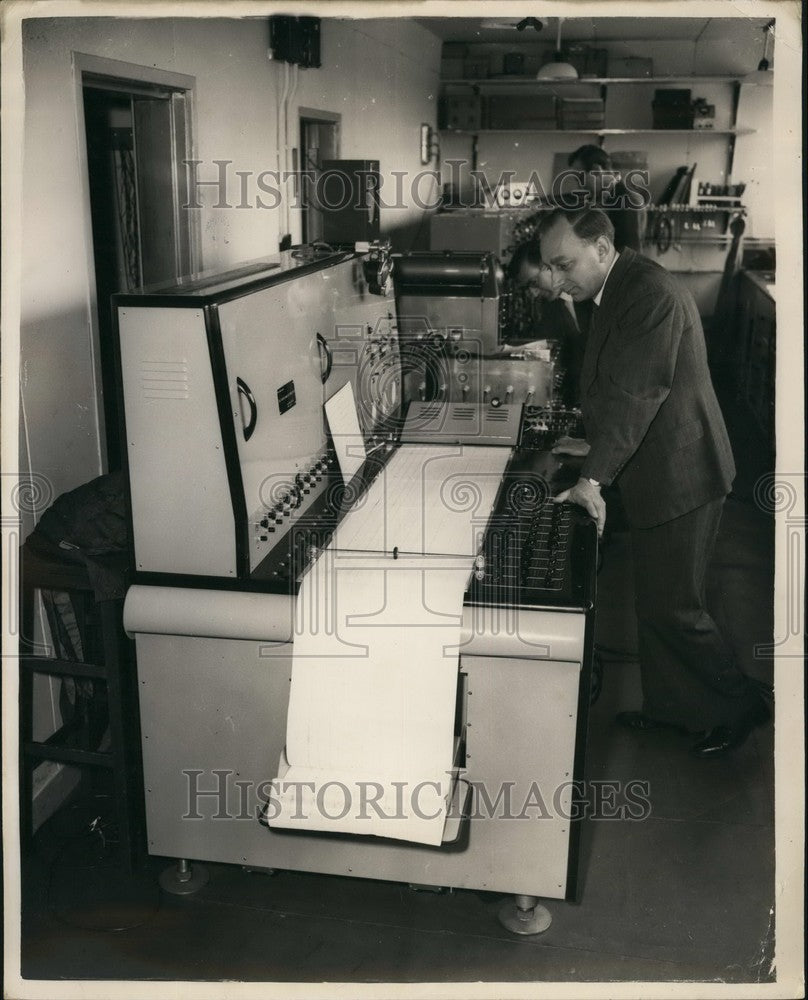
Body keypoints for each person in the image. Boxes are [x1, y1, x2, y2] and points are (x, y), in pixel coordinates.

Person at [537, 206, 769, 758]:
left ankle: (738, 707)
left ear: (600, 246)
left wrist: (593, 478)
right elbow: (614, 385)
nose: (555, 279)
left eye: (563, 264)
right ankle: (676, 710)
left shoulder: (647, 294)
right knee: (655, 602)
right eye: (549, 267)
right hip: (658, 465)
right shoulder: (614, 289)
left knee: (676, 608)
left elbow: (637, 395)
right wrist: (589, 444)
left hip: (684, 473)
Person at [507, 240, 585, 407]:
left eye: (533, 283)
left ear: (548, 266)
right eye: (527, 288)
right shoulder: (550, 311)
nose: (534, 294)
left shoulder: (590, 289)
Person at [567, 144, 644, 253]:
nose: (580, 186)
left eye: (580, 178)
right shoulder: (603, 199)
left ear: (596, 170)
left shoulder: (626, 200)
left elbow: (630, 254)